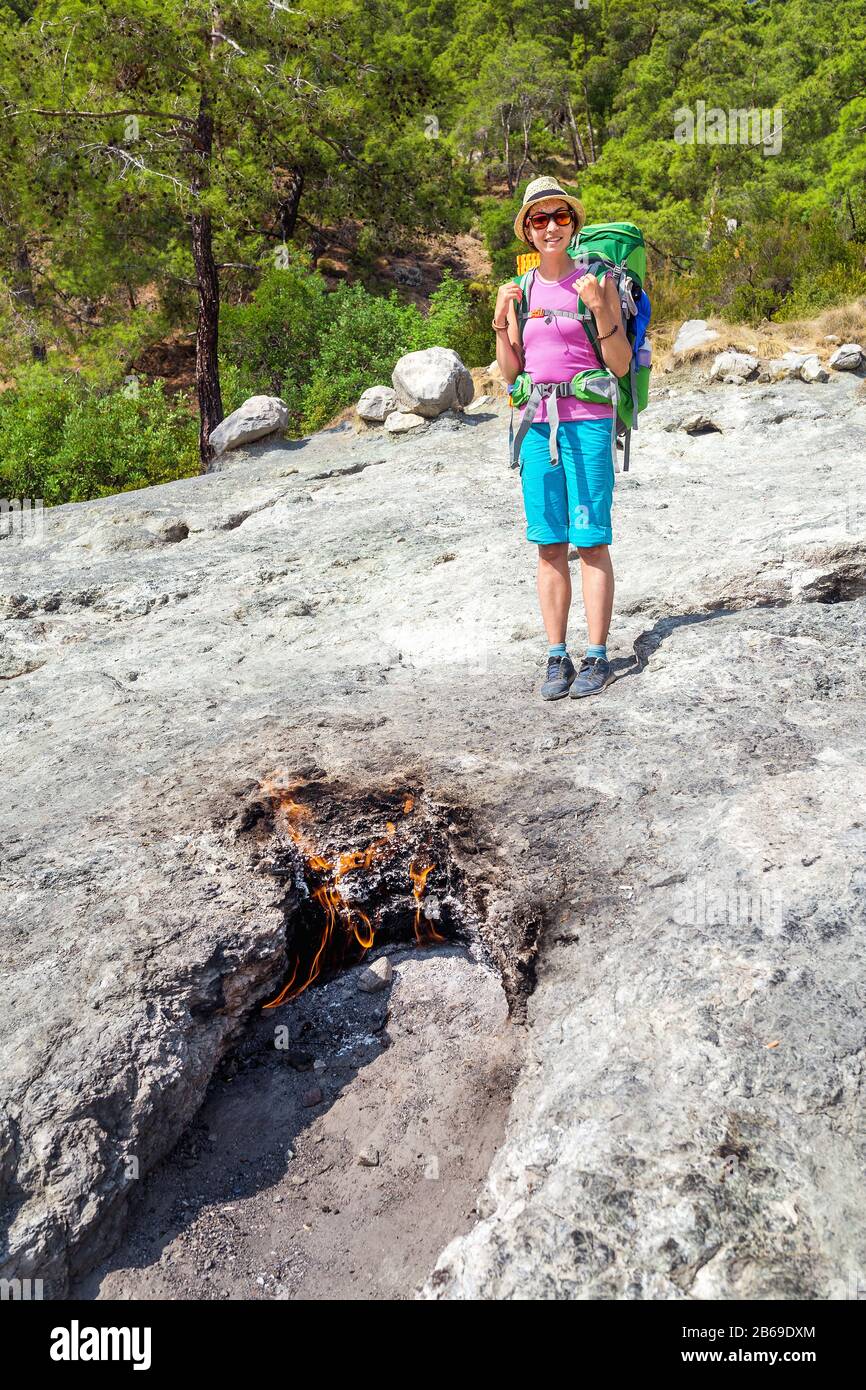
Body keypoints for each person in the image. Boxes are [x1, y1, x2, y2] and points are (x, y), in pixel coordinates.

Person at [492, 175, 632, 699]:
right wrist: (501, 326)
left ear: (573, 223)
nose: (551, 227)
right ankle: (557, 656)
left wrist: (598, 306)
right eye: (539, 219)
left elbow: (617, 363)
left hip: (589, 424)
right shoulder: (521, 290)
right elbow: (511, 374)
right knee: (549, 545)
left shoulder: (598, 282)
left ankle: (596, 655)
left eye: (560, 217)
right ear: (527, 231)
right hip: (535, 426)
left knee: (591, 540)